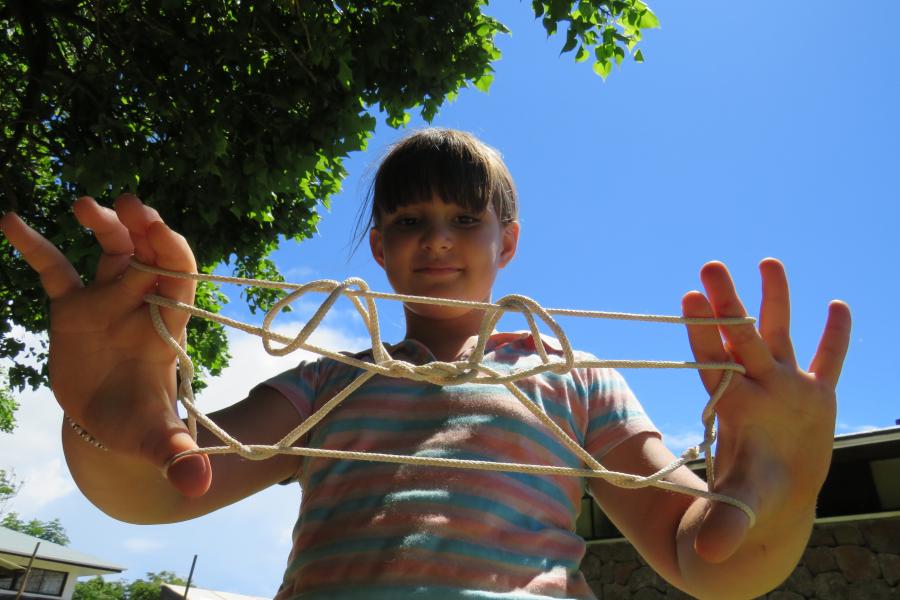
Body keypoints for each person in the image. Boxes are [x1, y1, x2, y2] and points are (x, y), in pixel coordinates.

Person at [0, 128, 850, 599]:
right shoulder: (328, 382)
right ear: (378, 246)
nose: (436, 238)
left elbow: (709, 558)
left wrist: (773, 489)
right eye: (408, 221)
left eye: (463, 217)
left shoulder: (572, 376)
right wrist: (108, 412)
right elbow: (162, 484)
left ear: (506, 240)